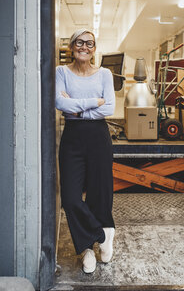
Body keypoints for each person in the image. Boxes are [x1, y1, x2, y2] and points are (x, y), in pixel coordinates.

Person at [56, 28, 115, 274]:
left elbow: (109, 107)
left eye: (89, 43)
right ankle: (102, 234)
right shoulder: (61, 72)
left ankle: (89, 249)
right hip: (72, 137)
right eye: (79, 42)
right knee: (70, 199)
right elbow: (60, 104)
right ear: (72, 46)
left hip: (98, 136)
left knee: (98, 194)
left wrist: (77, 109)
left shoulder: (104, 74)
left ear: (94, 48)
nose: (84, 46)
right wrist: (93, 102)